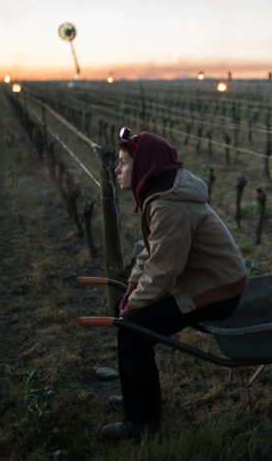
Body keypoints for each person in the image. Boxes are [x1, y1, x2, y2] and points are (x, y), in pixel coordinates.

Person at [101, 130, 248, 441]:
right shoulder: (159, 194)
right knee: (126, 318)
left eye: (124, 163)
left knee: (133, 329)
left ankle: (142, 423)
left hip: (217, 290)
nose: (117, 170)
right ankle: (135, 400)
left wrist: (136, 304)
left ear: (143, 167)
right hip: (199, 279)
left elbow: (164, 268)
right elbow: (151, 251)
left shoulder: (169, 206)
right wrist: (131, 291)